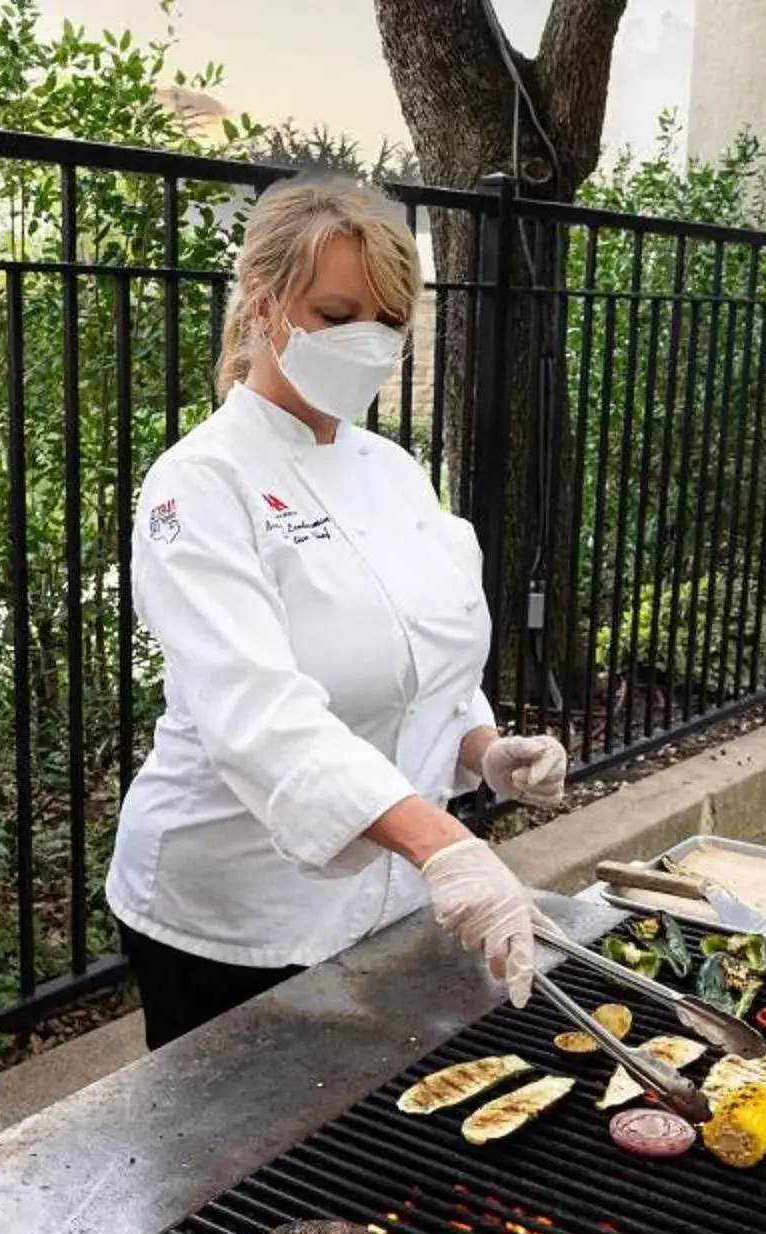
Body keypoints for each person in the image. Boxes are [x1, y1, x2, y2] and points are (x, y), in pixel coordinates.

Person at [103, 178, 570, 1050]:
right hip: (235, 911)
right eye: (335, 310)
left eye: (388, 320)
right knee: (240, 1172)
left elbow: (420, 657)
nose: (368, 340)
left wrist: (482, 750)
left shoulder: (393, 470)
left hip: (382, 897)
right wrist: (442, 843)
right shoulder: (200, 483)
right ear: (263, 304)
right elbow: (257, 714)